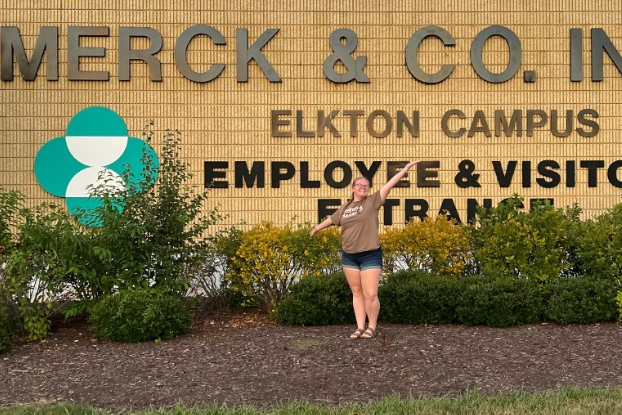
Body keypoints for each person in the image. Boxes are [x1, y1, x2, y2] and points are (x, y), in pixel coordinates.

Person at [310, 161, 420, 339]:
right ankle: (360, 327)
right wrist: (316, 228)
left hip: (370, 254)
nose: (363, 188)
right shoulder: (345, 207)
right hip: (349, 256)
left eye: (366, 186)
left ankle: (372, 326)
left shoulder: (372, 202)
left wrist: (405, 170)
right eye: (359, 185)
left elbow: (389, 185)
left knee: (370, 294)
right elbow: (331, 219)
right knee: (357, 292)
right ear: (353, 188)